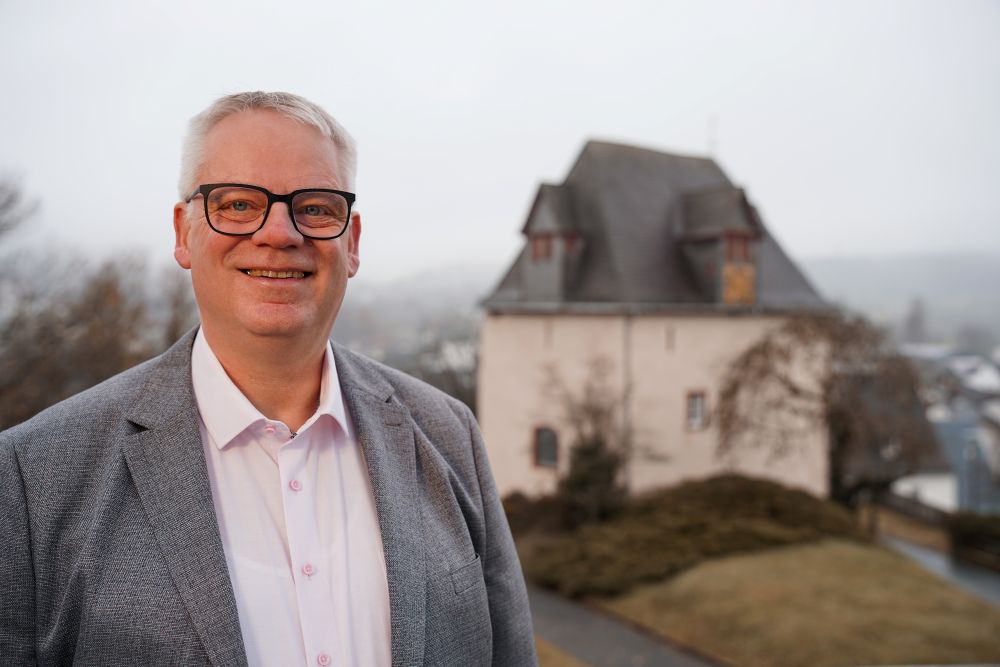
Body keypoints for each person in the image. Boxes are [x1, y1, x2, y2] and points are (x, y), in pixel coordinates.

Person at [0, 91, 537, 667]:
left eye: (316, 207)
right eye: (237, 204)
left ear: (352, 242)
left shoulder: (448, 433)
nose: (280, 233)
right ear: (183, 232)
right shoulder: (33, 477)